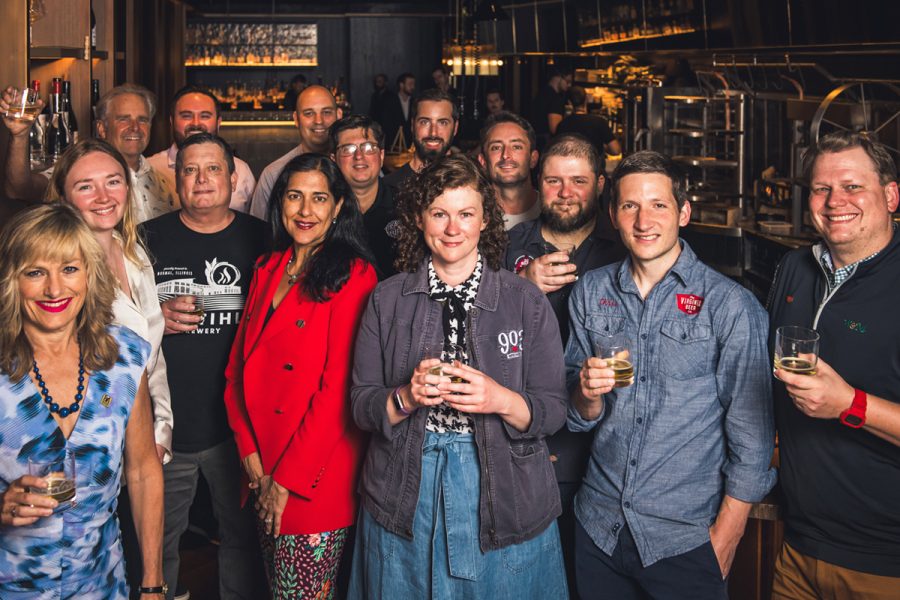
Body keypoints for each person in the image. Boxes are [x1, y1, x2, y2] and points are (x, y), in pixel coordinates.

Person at [349, 154, 569, 598]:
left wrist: (500, 399)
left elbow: (555, 411)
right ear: (418, 218)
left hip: (503, 485)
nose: (453, 229)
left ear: (486, 220)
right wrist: (405, 398)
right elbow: (360, 405)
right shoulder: (386, 299)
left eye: (466, 214)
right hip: (406, 485)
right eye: (439, 214)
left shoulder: (525, 300)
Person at [566, 150, 775, 599]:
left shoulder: (730, 306)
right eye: (629, 206)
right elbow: (577, 415)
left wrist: (727, 535)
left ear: (683, 212)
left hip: (685, 539)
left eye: (658, 205)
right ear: (612, 215)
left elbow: (753, 435)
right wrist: (585, 394)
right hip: (598, 526)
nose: (644, 221)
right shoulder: (592, 289)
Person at [225, 153, 377, 599]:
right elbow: (236, 371)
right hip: (260, 464)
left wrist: (285, 482)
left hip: (314, 479)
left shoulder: (355, 275)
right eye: (295, 196)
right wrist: (248, 452)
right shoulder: (268, 268)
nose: (305, 211)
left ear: (338, 208)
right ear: (280, 203)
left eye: (319, 198)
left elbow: (337, 394)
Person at [0, 203, 165, 599]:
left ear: (90, 275)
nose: (55, 290)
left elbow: (143, 470)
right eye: (36, 272)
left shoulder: (124, 358)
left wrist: (153, 584)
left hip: (101, 584)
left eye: (69, 269)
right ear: (11, 280)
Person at [768, 131, 900, 599]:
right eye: (821, 189)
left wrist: (850, 403)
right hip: (798, 551)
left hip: (884, 564)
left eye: (852, 186)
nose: (833, 201)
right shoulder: (795, 269)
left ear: (890, 194)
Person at [143, 133, 267, 600]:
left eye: (213, 169)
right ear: (175, 179)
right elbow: (117, 317)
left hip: (239, 430)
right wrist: (157, 315)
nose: (201, 179)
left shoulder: (263, 237)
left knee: (242, 542)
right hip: (167, 425)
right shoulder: (146, 238)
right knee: (158, 543)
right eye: (190, 169)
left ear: (233, 178)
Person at [505, 135, 626, 597]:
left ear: (599, 184)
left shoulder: (624, 252)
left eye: (578, 181)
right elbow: (467, 325)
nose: (565, 191)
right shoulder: (507, 245)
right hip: (521, 451)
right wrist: (521, 283)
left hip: (602, 461)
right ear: (538, 182)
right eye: (554, 180)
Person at [1, 84, 177, 223]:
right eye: (123, 119)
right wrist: (20, 135)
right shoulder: (78, 167)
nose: (135, 128)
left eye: (142, 120)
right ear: (101, 128)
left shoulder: (160, 182)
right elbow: (19, 188)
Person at [147, 85, 256, 213]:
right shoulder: (150, 168)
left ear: (218, 122)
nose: (196, 123)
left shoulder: (242, 170)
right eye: (186, 116)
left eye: (205, 116)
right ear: (172, 121)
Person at [249, 85, 342, 219]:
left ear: (338, 115)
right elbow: (261, 232)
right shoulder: (273, 174)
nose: (319, 121)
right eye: (309, 113)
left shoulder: (355, 166)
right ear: (296, 119)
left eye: (326, 112)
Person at [330, 114, 399, 278]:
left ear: (381, 156)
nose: (359, 156)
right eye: (348, 149)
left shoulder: (407, 206)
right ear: (333, 160)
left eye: (368, 148)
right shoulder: (321, 210)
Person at [382, 88, 458, 191]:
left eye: (442, 123)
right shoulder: (388, 187)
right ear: (412, 126)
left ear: (455, 128)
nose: (433, 133)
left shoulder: (470, 185)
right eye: (424, 122)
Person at [477, 111, 541, 229]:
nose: (506, 155)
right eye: (496, 148)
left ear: (533, 159)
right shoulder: (472, 216)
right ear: (483, 161)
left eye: (517, 147)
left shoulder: (553, 211)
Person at [556, 87, 621, 157]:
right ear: (586, 99)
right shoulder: (599, 122)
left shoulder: (563, 124)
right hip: (593, 166)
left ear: (569, 102)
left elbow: (558, 151)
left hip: (571, 166)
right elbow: (616, 150)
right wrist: (602, 145)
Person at [530, 69, 571, 150]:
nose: (569, 85)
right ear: (559, 78)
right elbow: (554, 129)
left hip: (535, 139)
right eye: (567, 81)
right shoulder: (555, 98)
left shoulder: (541, 92)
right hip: (546, 142)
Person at [380, 72, 416, 150]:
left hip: (411, 147)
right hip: (394, 147)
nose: (413, 87)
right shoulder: (389, 101)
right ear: (401, 85)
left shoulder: (415, 102)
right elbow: (386, 125)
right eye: (410, 84)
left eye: (413, 84)